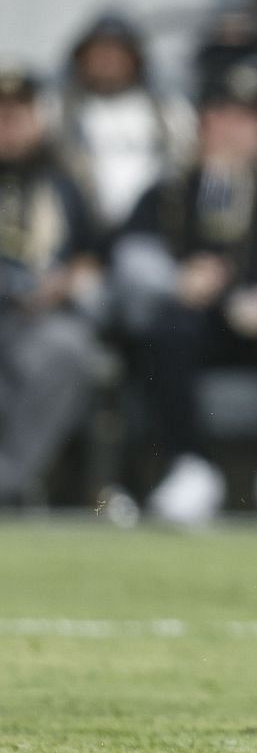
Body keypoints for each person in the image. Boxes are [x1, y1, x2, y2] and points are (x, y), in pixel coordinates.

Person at [113, 63, 257, 526]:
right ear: (203, 124)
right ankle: (189, 465)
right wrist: (176, 280)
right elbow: (132, 255)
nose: (236, 131)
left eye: (248, 119)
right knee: (166, 332)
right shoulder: (173, 187)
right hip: (195, 319)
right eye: (224, 117)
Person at [0, 64, 103, 507]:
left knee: (70, 350)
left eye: (17, 115)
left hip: (42, 316)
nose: (8, 127)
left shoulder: (63, 181)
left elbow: (91, 253)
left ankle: (10, 480)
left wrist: (66, 284)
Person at [54, 12, 197, 231]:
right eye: (98, 53)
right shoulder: (58, 111)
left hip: (152, 230)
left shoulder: (170, 112)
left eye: (117, 52)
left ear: (136, 59)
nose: (107, 61)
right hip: (83, 230)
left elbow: (187, 166)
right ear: (81, 60)